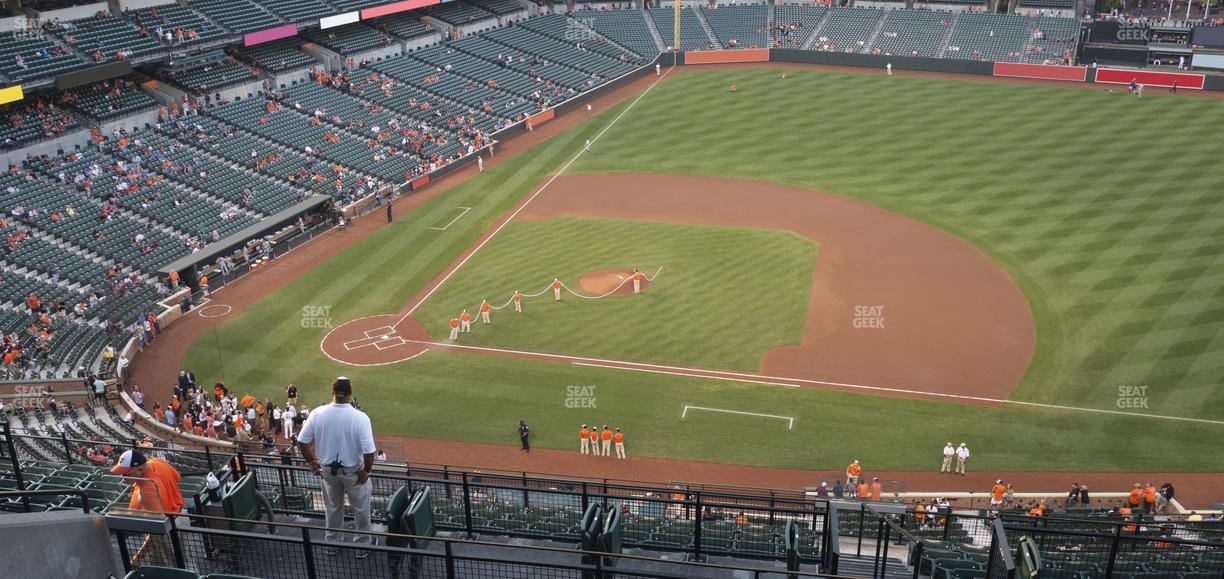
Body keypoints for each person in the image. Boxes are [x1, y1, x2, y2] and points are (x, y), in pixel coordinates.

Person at [298, 377, 377, 555]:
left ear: (332, 393)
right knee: (361, 507)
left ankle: (333, 543)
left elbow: (302, 442)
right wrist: (366, 471)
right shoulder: (360, 417)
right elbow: (369, 451)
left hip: (327, 471)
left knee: (333, 507)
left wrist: (311, 462)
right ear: (349, 394)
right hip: (354, 472)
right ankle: (362, 546)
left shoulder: (317, 413)